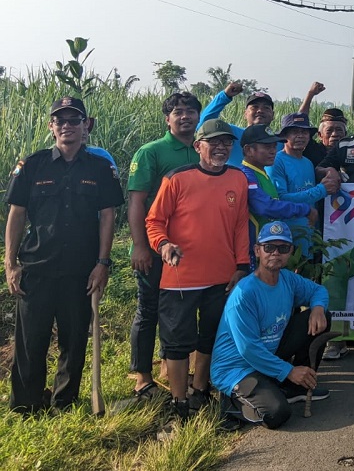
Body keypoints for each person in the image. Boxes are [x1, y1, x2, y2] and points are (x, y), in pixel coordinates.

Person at [5, 96, 124, 414]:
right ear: (51, 126)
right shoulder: (33, 165)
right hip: (36, 269)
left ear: (86, 126)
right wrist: (10, 263)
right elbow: (17, 214)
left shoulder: (100, 168)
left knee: (73, 341)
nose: (67, 126)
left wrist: (102, 264)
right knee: (31, 342)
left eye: (75, 120)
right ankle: (26, 405)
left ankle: (64, 402)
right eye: (61, 120)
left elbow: (108, 216)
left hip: (81, 271)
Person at [145, 118, 251, 420]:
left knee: (211, 336)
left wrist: (241, 265)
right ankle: (179, 400)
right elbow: (154, 221)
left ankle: (200, 391)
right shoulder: (177, 178)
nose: (220, 147)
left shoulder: (237, 179)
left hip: (222, 276)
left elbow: (241, 225)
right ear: (198, 146)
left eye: (226, 142)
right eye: (213, 142)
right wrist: (163, 245)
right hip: (181, 278)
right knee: (177, 341)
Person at [211, 222, 331, 429]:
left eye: (283, 248)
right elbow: (249, 349)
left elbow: (318, 291)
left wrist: (318, 308)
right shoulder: (244, 294)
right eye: (269, 247)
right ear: (258, 251)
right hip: (238, 367)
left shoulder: (287, 279)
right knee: (277, 413)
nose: (276, 253)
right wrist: (288, 370)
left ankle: (295, 388)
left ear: (290, 252)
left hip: (269, 352)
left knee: (321, 315)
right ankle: (230, 404)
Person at [126, 91, 202, 400]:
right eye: (178, 111)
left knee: (184, 311)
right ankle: (142, 377)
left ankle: (172, 366)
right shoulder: (151, 152)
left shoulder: (202, 150)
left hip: (192, 250)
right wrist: (141, 247)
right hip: (157, 247)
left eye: (191, 111)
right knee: (150, 310)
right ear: (167, 118)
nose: (185, 116)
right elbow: (136, 202)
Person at [241, 125, 331, 263]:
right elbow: (265, 207)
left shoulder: (261, 172)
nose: (272, 151)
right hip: (253, 251)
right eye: (266, 147)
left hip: (267, 248)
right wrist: (304, 209)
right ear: (248, 150)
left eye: (273, 146)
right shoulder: (246, 175)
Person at [269, 113, 341, 257]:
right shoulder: (276, 161)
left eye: (304, 132)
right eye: (295, 132)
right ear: (285, 135)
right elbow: (280, 200)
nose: (300, 136)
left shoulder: (308, 163)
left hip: (309, 237)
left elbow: (312, 203)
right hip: (286, 238)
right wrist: (321, 189)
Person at [197, 82, 274, 167]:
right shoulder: (232, 133)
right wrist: (225, 96)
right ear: (245, 114)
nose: (260, 111)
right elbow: (204, 126)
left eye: (266, 108)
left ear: (273, 115)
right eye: (254, 107)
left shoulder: (280, 142)